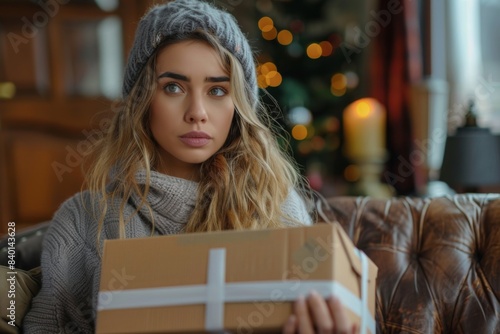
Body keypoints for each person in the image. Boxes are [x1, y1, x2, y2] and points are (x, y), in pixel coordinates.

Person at [23, 0, 357, 333]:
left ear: (237, 105)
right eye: (173, 87)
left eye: (216, 90)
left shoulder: (277, 206)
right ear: (142, 100)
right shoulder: (84, 220)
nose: (197, 111)